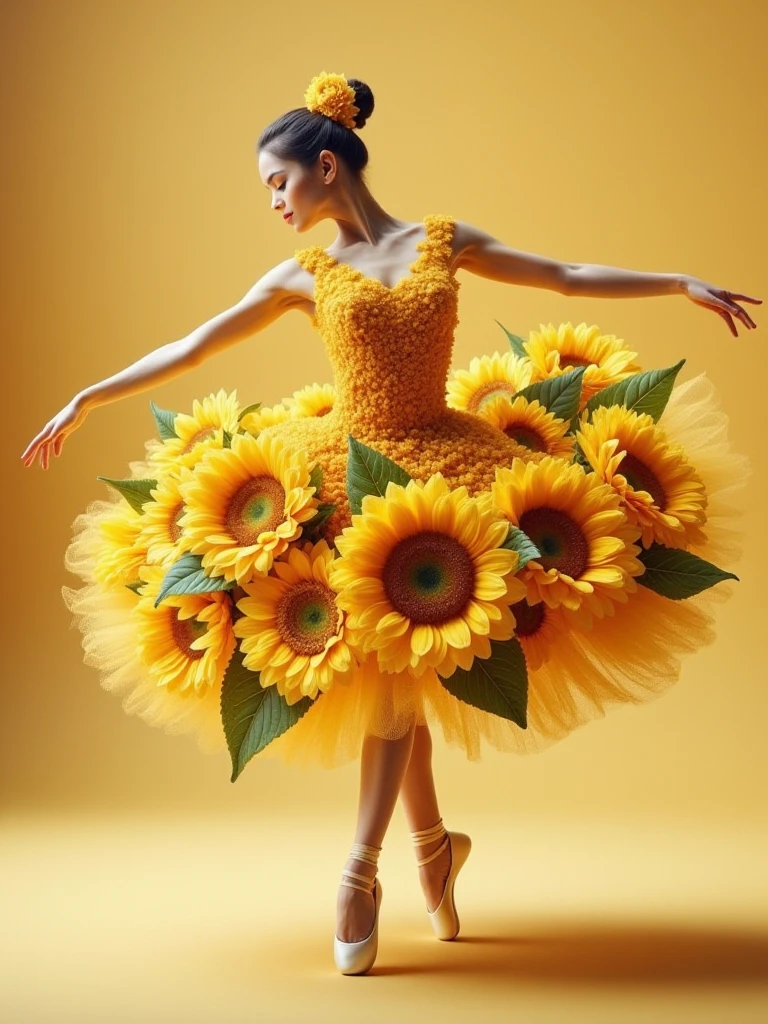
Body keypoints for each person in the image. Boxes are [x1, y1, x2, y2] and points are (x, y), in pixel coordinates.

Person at [22, 71, 760, 976]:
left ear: (325, 166)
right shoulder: (305, 274)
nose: (273, 203)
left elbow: (561, 275)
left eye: (278, 183)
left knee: (403, 671)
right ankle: (424, 853)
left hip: (449, 467)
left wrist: (678, 281)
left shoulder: (442, 243)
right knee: (390, 674)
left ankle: (364, 869)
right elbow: (198, 343)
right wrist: (88, 397)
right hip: (347, 468)